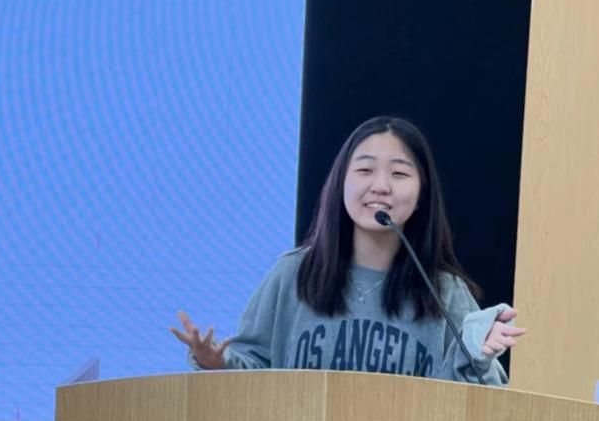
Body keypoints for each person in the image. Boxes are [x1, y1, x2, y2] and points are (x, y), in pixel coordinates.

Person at [170, 116, 525, 384]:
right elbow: (254, 371)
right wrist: (215, 363)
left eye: (399, 174)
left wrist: (477, 354)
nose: (380, 186)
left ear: (422, 195)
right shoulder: (293, 275)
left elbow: (479, 402)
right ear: (341, 183)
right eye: (365, 170)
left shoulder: (443, 291)